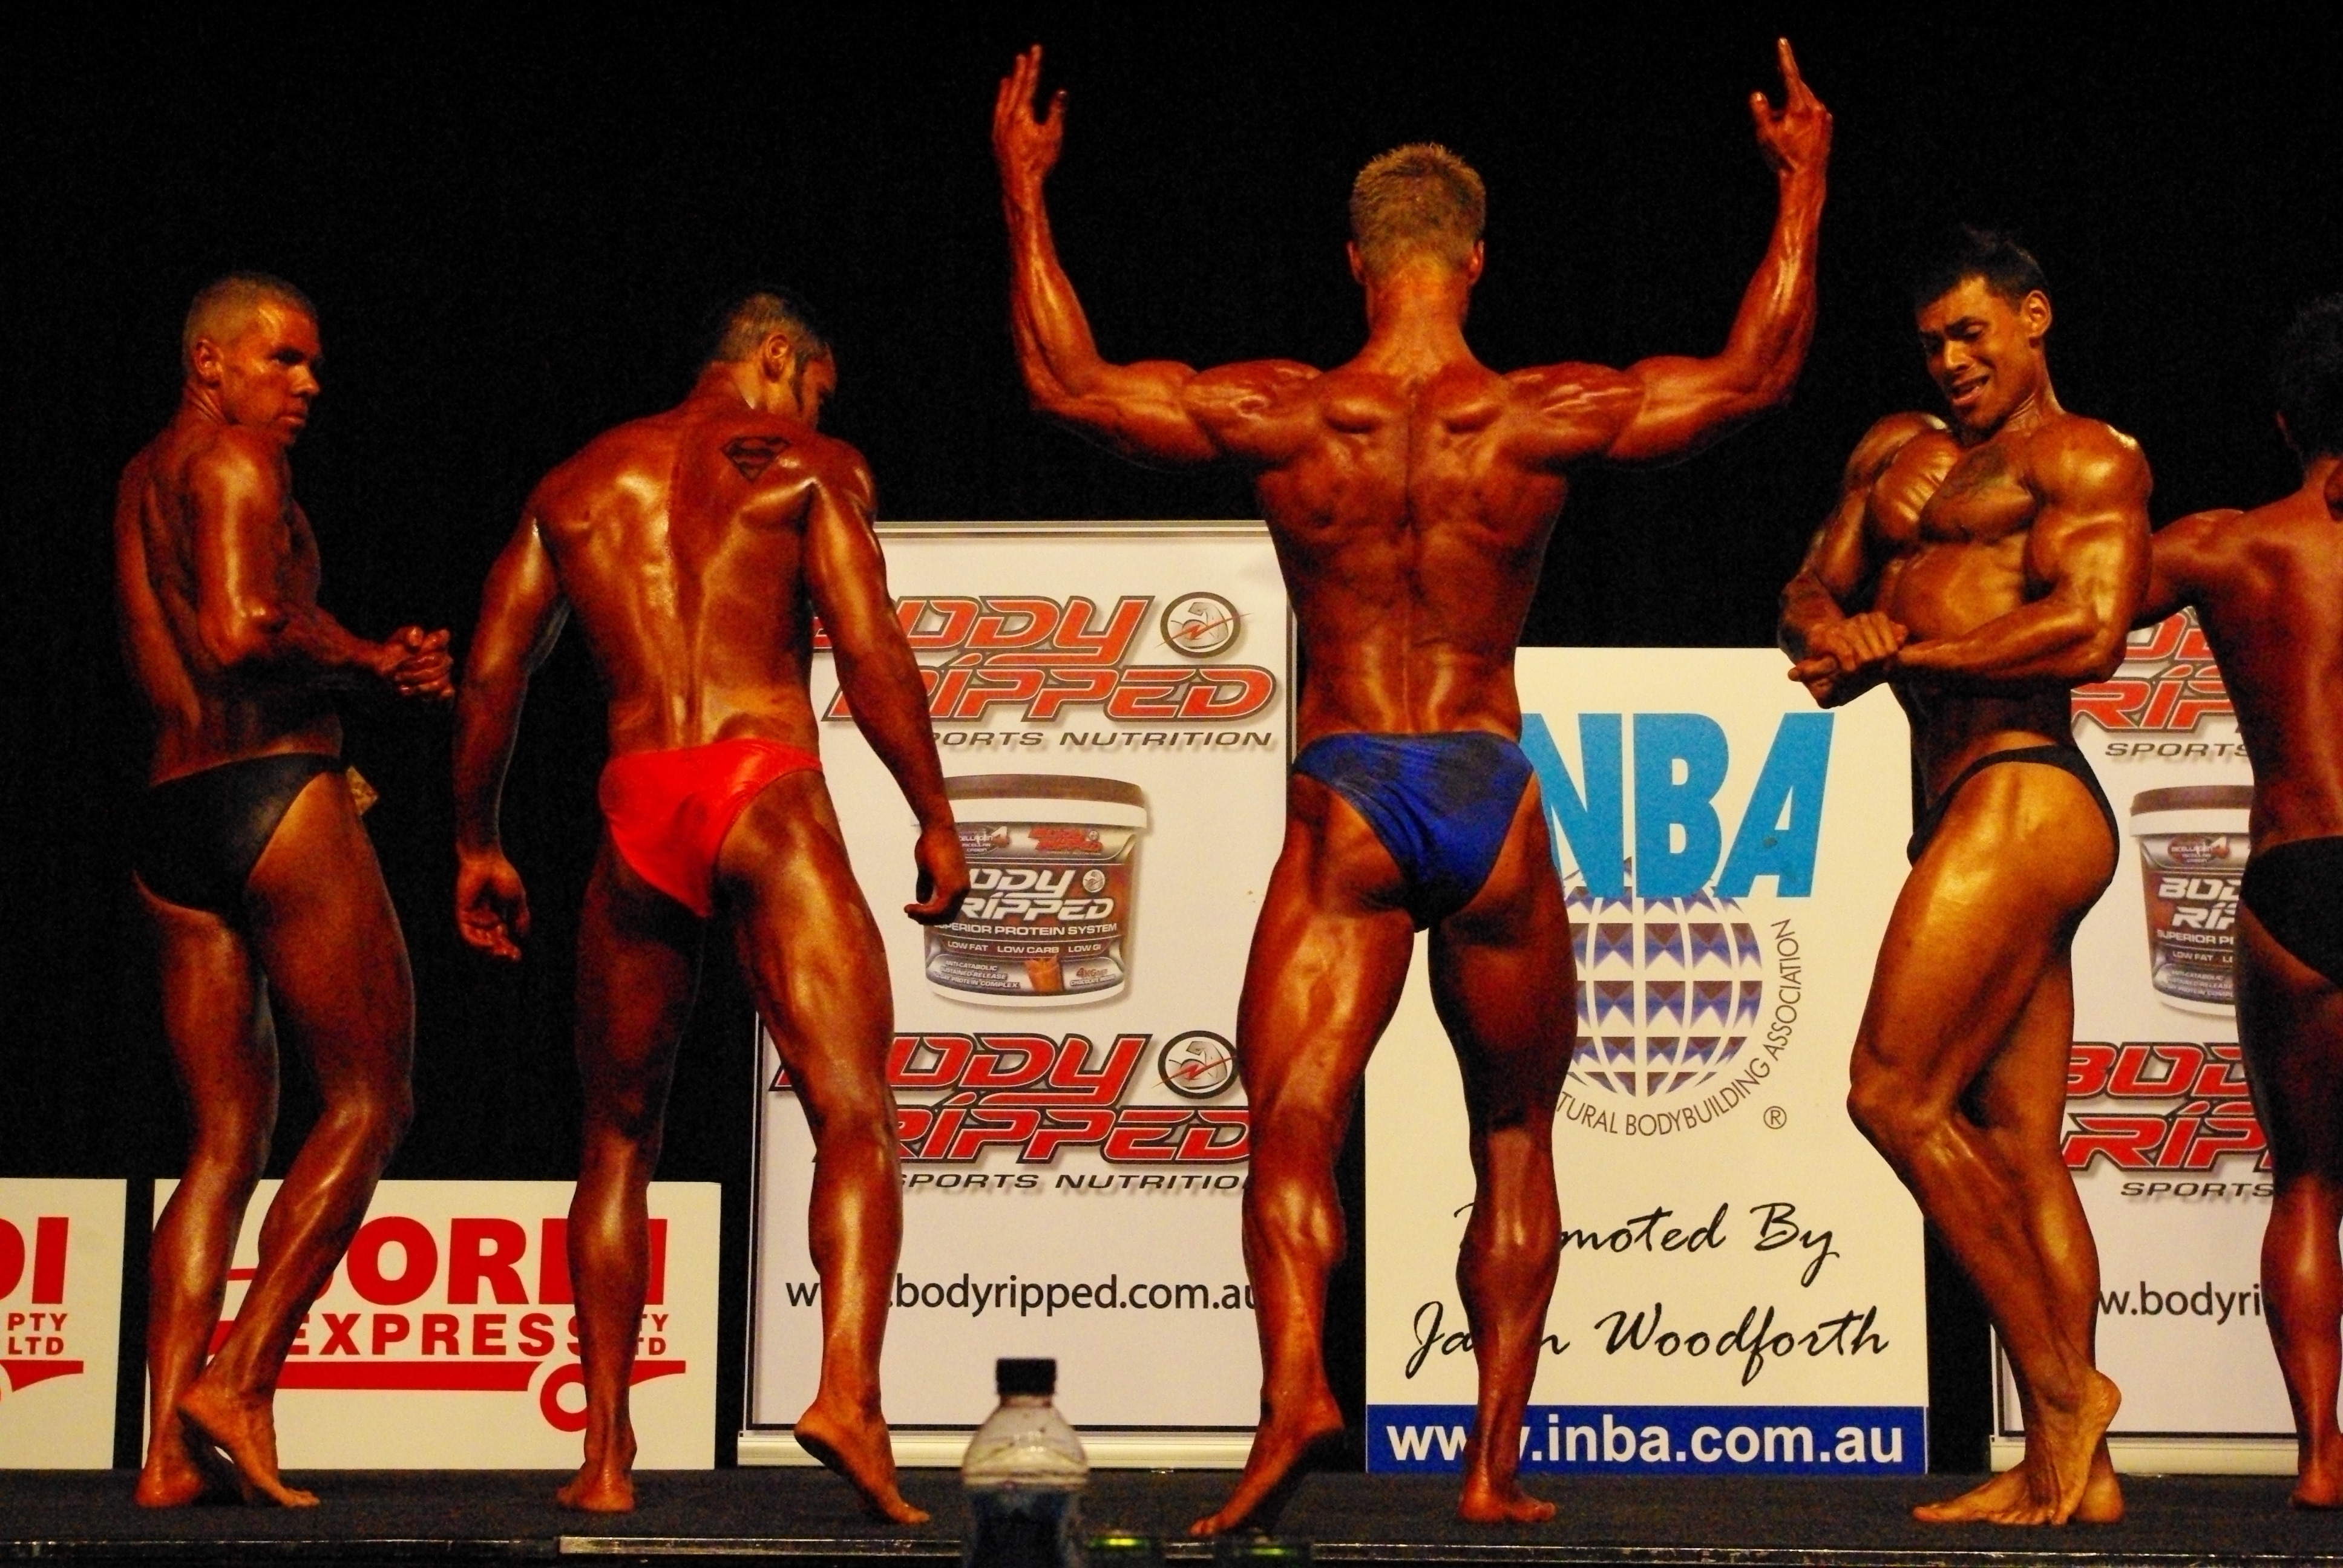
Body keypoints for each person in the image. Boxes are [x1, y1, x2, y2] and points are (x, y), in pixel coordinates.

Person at [994, 41, 1830, 1530]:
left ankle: (1295, 1397)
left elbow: (1067, 384)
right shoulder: (1535, 414)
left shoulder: (1289, 413)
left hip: (1353, 795)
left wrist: (1023, 190)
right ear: (1476, 262)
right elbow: (1754, 376)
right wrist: (1801, 188)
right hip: (1487, 789)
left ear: (1355, 264)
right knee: (1513, 1137)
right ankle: (1491, 1471)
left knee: (1290, 1125)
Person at [451, 291, 966, 1518]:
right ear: (779, 357)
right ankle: (847, 1397)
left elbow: (492, 670)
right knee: (855, 1110)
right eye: (817, 387)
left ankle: (605, 1457)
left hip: (639, 800)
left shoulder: (577, 484)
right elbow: (869, 648)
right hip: (763, 783)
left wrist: (476, 840)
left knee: (616, 1141)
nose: (816, 410)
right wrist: (934, 813)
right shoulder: (811, 466)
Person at [1779, 229, 2149, 1525]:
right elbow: (1807, 589)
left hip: (2025, 788)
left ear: (2034, 319)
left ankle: (2064, 1392)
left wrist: (1916, 656)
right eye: (1934, 341)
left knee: (1891, 1093)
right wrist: (1838, 632)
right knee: (2018, 1148)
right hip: (1960, 803)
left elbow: (2093, 630)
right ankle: (2076, 1475)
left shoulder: (2084, 458)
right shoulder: (1893, 451)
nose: (1950, 361)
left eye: (1972, 334)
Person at [116, 273, 452, 1508]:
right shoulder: (241, 462)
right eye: (284, 360)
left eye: (312, 364)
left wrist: (366, 662)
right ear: (211, 362)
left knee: (221, 1143)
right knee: (372, 1099)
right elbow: (244, 631)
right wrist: (372, 661)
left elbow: (215, 630)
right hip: (273, 795)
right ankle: (243, 1379)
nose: (308, 384)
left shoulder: (142, 478)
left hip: (171, 819)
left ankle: (164, 1456)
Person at [2136, 296, 2343, 1508]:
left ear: (2282, 424)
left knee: (2308, 1181)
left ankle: (2319, 1458)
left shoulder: (2227, 545)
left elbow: (2074, 608)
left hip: (2293, 876)